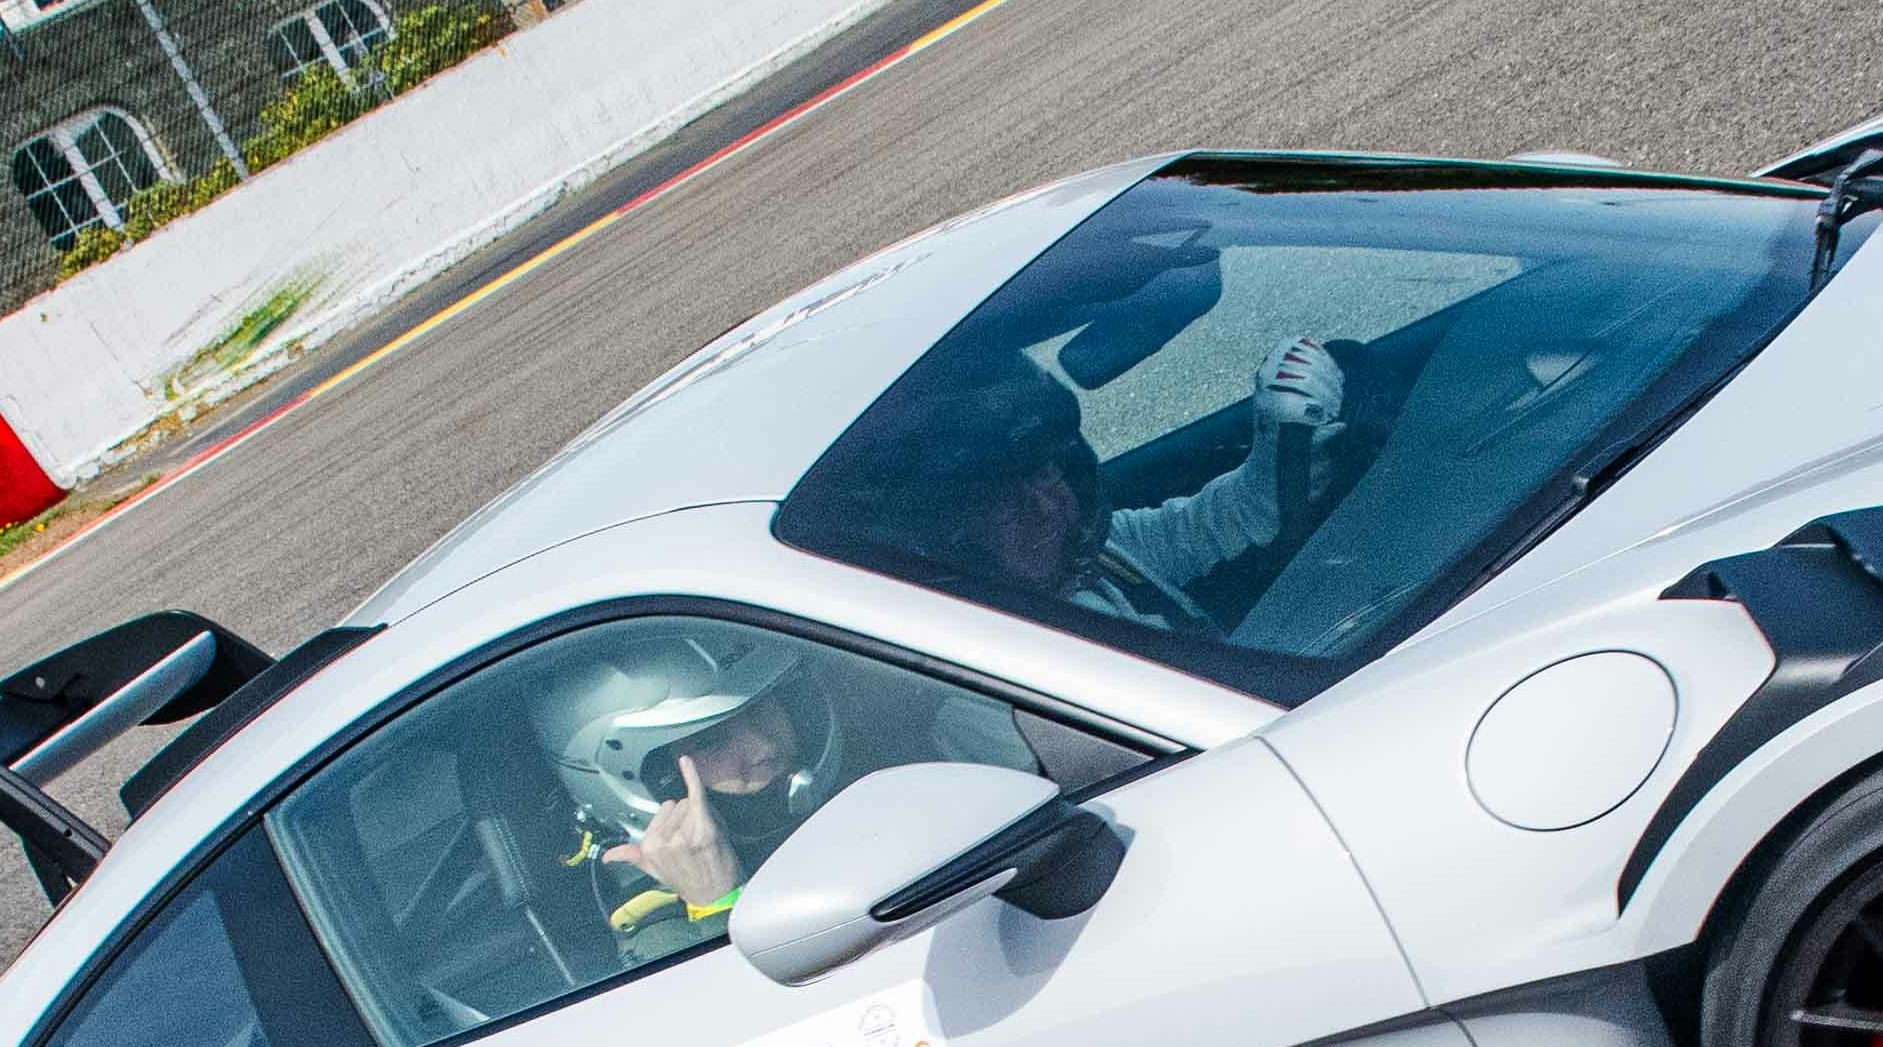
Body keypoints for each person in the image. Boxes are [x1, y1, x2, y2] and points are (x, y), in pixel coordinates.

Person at [891, 335, 1351, 639]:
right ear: (950, 536)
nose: (1048, 511)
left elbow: (1217, 520)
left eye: (1048, 475)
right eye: (1006, 511)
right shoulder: (990, 686)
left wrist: (1284, 440)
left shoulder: (1100, 552)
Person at [528, 626, 845, 938]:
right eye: (712, 740)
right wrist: (719, 905)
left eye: (760, 708)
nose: (763, 745)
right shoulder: (661, 937)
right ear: (653, 779)